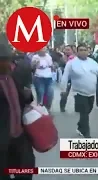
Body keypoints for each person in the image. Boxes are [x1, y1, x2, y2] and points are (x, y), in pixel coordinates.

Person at [0, 43, 35, 180]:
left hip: (19, 134)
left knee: (26, 169)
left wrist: (28, 96)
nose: (9, 63)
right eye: (5, 60)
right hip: (2, 138)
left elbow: (23, 98)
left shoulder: (12, 77)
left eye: (9, 59)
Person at [60, 44, 98, 138]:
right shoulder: (71, 63)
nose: (83, 52)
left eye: (85, 50)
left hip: (91, 93)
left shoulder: (92, 62)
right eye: (81, 50)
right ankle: (87, 133)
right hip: (79, 93)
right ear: (77, 52)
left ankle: (80, 126)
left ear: (88, 51)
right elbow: (65, 76)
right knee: (84, 113)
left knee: (88, 111)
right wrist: (63, 89)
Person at [59, 45, 75, 112]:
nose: (67, 51)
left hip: (74, 78)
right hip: (66, 79)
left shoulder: (75, 58)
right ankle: (62, 107)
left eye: (69, 50)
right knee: (65, 93)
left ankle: (78, 107)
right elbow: (61, 68)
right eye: (66, 50)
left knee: (77, 93)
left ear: (72, 50)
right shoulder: (62, 58)